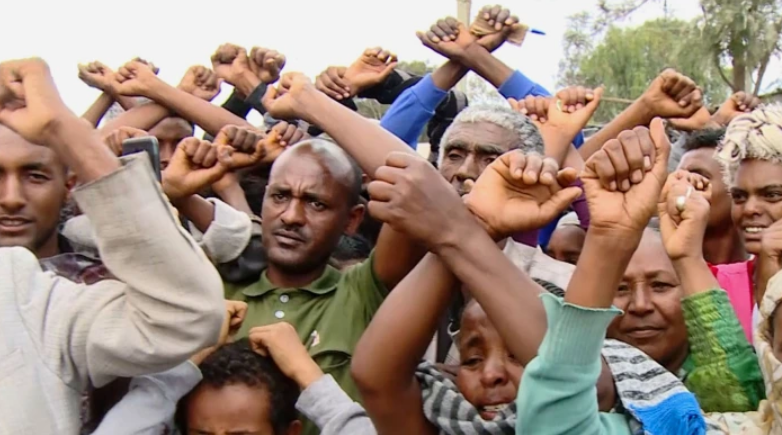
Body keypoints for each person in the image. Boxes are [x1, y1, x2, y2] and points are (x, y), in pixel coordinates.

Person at [0, 58, 224, 433]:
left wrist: (65, 132)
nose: (10, 198)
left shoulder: (33, 298)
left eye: (34, 175)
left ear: (69, 186)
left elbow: (186, 315)